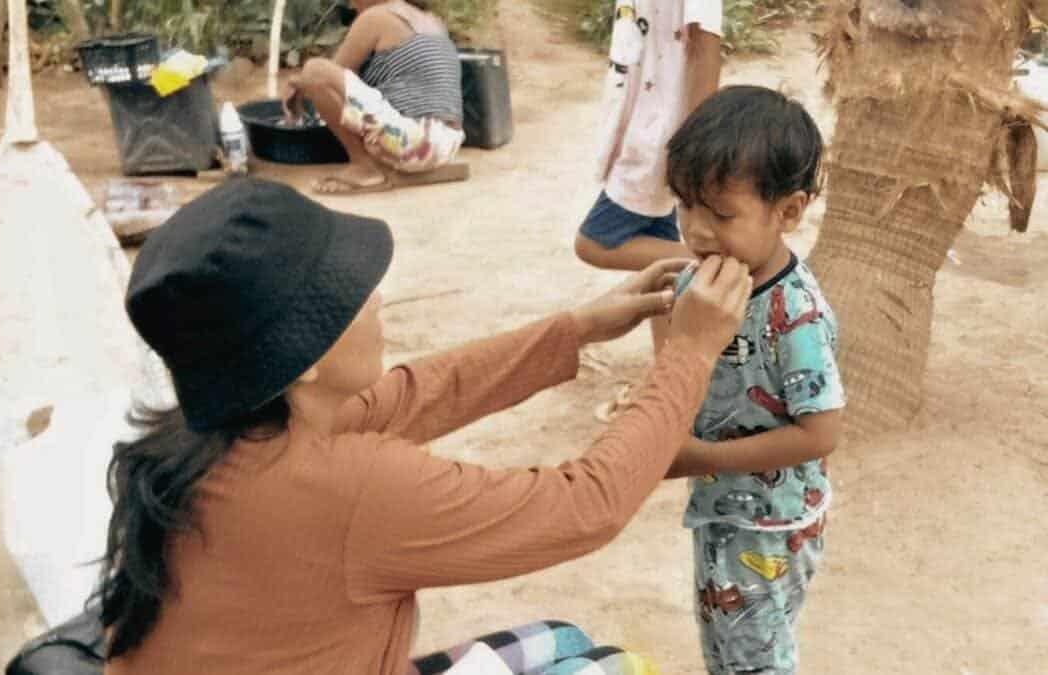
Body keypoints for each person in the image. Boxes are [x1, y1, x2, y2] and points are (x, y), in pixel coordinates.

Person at [99, 177, 752, 675]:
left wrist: (575, 328)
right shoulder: (351, 488)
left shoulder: (219, 431)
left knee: (564, 642)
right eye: (352, 293)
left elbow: (419, 393)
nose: (377, 298)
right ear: (304, 360)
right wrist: (688, 353)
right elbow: (586, 505)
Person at [663, 86, 846, 674]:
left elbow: (820, 435)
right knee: (723, 641)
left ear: (789, 212)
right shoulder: (709, 278)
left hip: (769, 524)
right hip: (721, 509)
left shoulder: (795, 315)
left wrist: (700, 454)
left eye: (719, 213)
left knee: (756, 658)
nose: (695, 230)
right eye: (684, 205)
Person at [575, 0, 723, 361]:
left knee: (595, 241)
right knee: (657, 255)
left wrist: (692, 144)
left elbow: (706, 48)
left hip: (658, 141)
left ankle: (720, 262)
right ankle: (665, 369)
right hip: (647, 132)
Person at [283, 0, 464, 195]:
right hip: (446, 145)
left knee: (315, 69)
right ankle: (376, 164)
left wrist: (297, 84)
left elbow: (330, 76)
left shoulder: (376, 17)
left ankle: (365, 168)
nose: (350, 4)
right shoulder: (432, 21)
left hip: (413, 143)